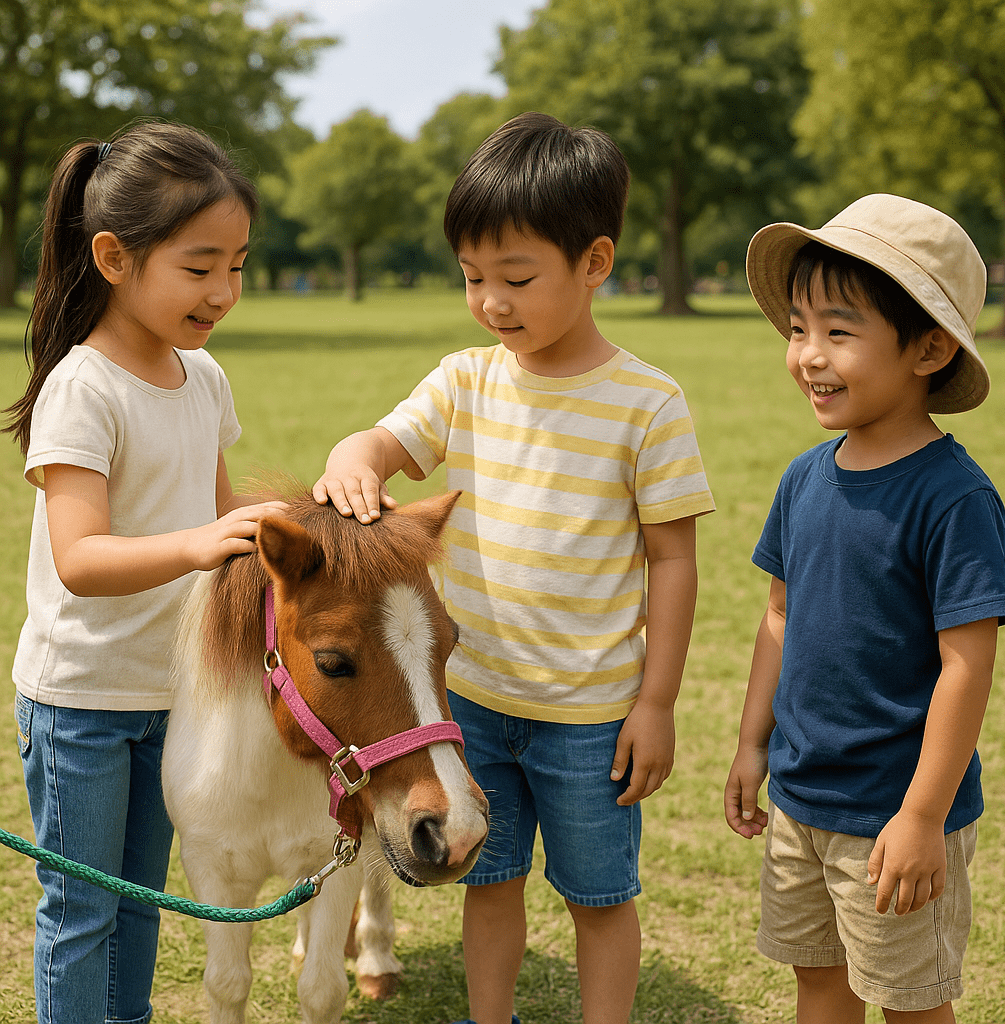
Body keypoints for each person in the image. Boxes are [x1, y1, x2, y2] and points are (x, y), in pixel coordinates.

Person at [314, 112, 715, 1024]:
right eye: (472, 278)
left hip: (590, 715)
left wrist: (655, 703)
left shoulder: (648, 405)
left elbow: (674, 560)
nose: (492, 301)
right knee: (484, 881)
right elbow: (386, 439)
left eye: (517, 277)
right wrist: (355, 456)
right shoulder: (466, 380)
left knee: (598, 897)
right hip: (474, 709)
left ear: (595, 263)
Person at [4, 121, 285, 1024]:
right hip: (81, 701)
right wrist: (203, 544)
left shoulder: (203, 380)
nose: (224, 291)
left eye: (237, 265)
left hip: (173, 696)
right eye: (200, 266)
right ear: (115, 258)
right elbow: (81, 559)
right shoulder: (82, 387)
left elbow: (225, 528)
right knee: (81, 911)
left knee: (142, 902)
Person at [725, 194, 1005, 1023]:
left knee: (908, 1000)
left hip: (895, 812)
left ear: (927, 347)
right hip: (802, 799)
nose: (809, 355)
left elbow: (967, 663)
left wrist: (923, 815)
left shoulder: (952, 496)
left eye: (839, 332)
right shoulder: (804, 477)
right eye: (797, 328)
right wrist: (753, 744)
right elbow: (779, 616)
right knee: (817, 981)